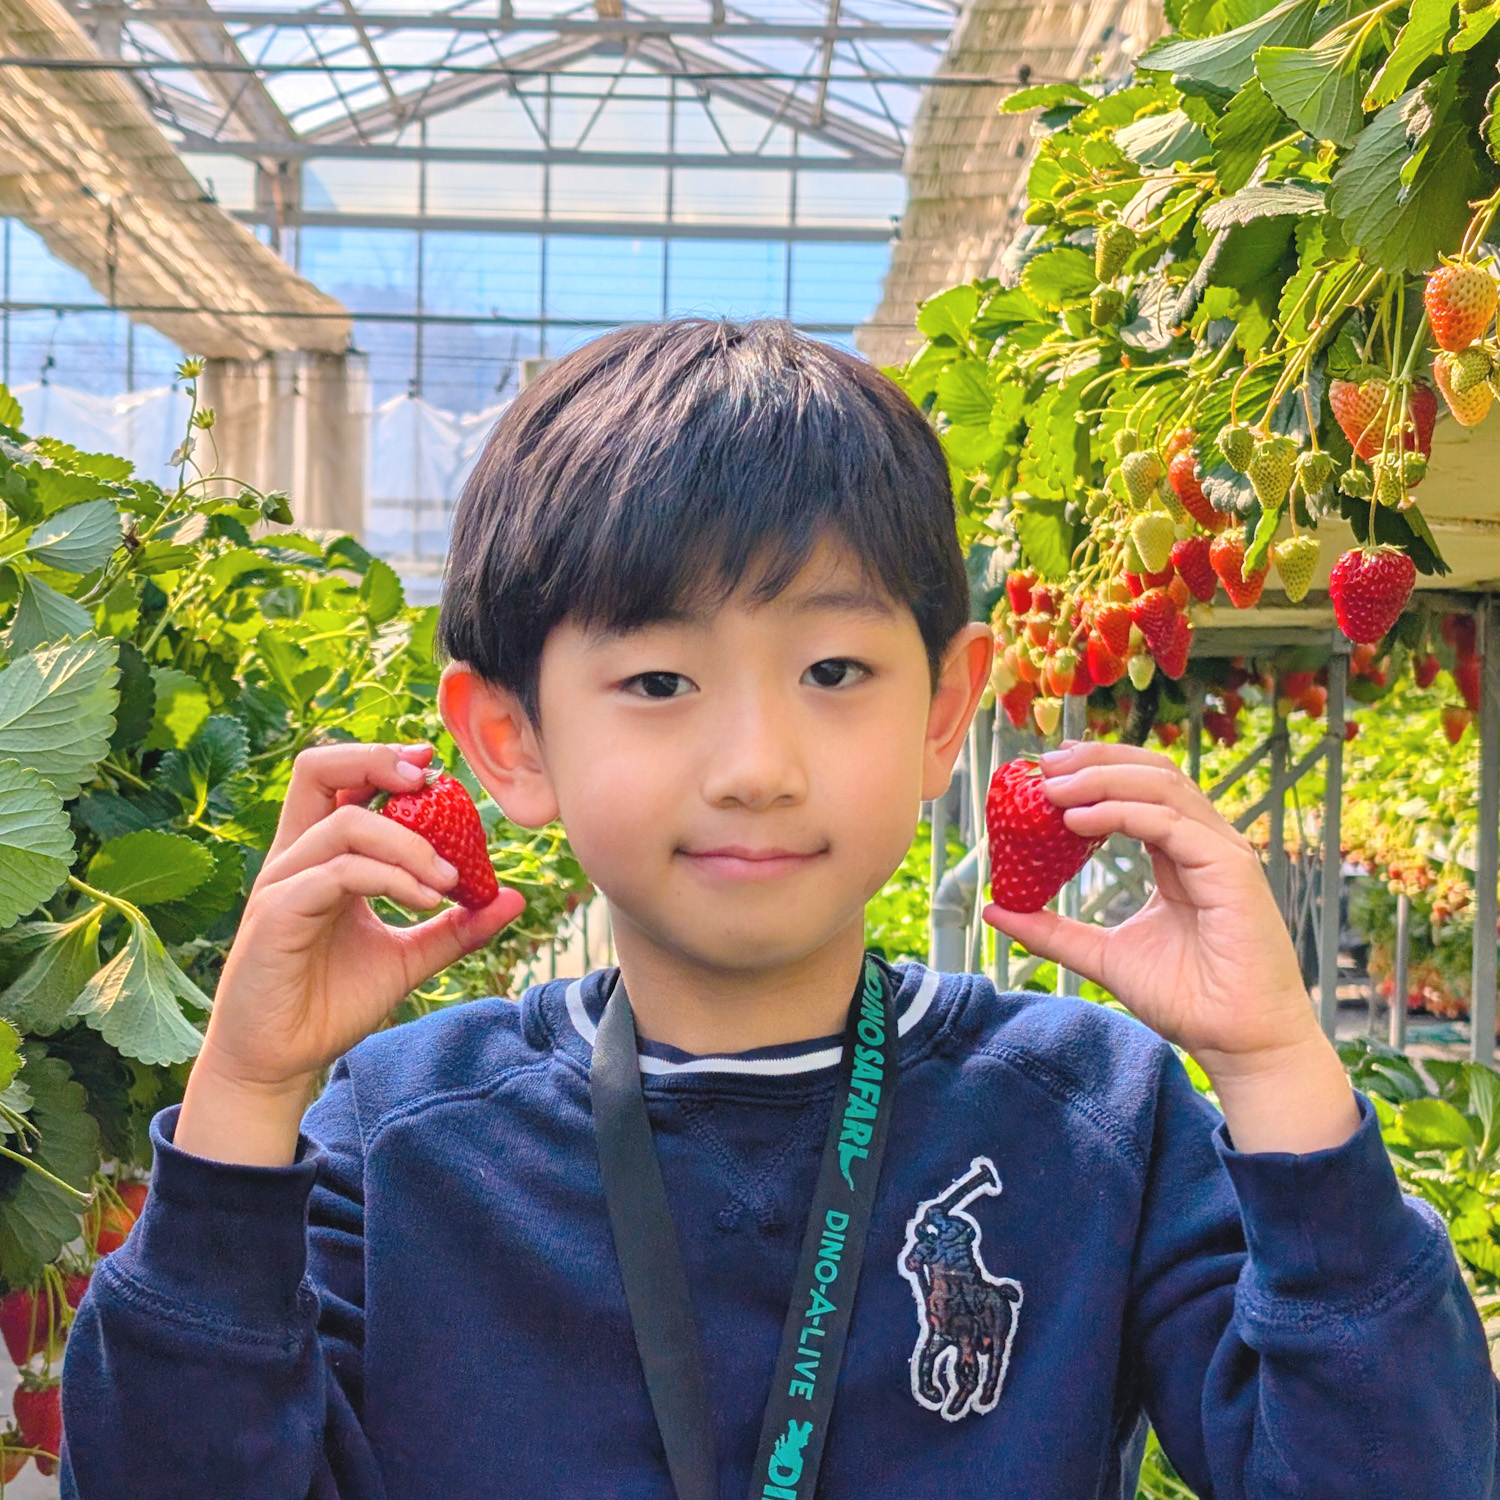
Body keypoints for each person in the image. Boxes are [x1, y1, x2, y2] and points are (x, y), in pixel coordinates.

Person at [61, 319, 1496, 1498]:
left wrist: (1276, 1070)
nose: (757, 769)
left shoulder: (1087, 1118)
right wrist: (247, 1098)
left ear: (946, 711)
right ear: (510, 743)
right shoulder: (404, 1137)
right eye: (659, 684)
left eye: (833, 675)